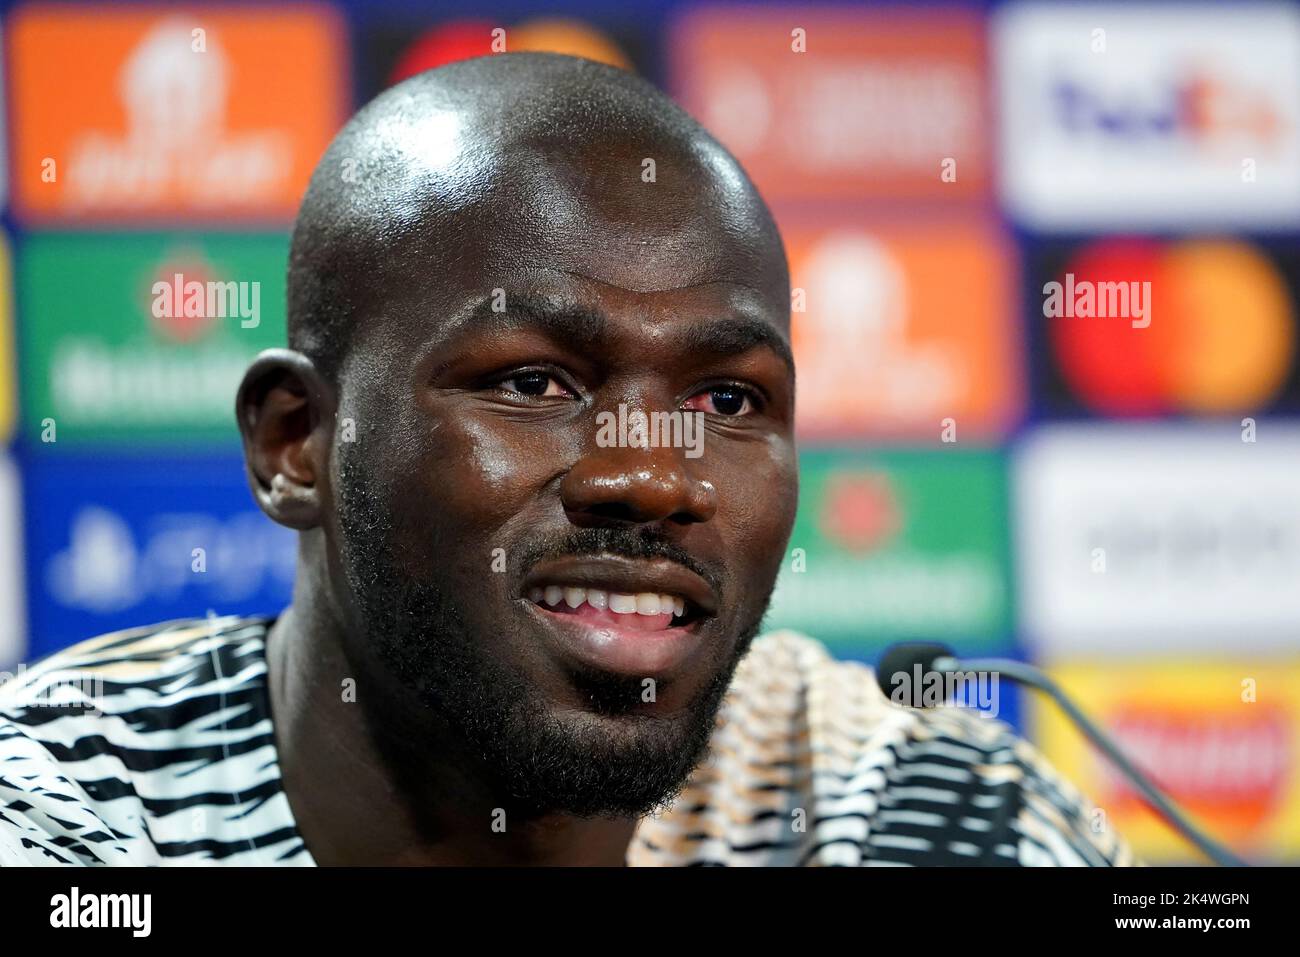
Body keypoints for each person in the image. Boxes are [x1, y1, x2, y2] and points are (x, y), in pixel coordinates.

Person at [0, 53, 1132, 866]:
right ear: (296, 442)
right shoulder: (62, 816)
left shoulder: (911, 811)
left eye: (725, 399)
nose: (653, 478)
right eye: (535, 384)